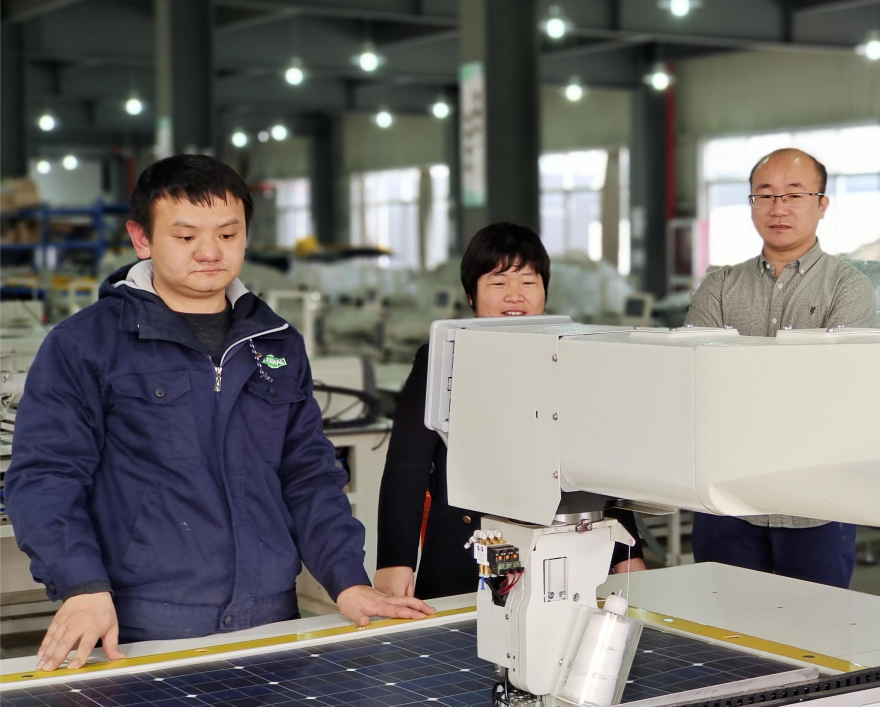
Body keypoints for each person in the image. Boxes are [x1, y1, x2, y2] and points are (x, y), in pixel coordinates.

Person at [6, 155, 434, 672]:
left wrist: (347, 580)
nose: (210, 252)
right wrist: (81, 585)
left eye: (228, 235)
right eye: (186, 236)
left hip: (272, 615)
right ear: (142, 239)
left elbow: (308, 474)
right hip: (143, 621)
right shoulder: (85, 344)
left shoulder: (276, 342)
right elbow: (45, 477)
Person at [373, 223, 645, 601]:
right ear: (472, 294)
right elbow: (407, 467)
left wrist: (628, 552)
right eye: (498, 282)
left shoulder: (573, 356)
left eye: (528, 282)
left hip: (561, 542)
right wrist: (394, 560)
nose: (515, 295)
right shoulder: (442, 357)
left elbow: (594, 459)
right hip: (467, 548)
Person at [685, 148, 875, 587]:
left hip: (817, 502)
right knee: (722, 619)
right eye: (765, 195)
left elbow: (836, 389)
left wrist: (742, 381)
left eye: (794, 194)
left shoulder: (849, 287)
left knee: (814, 622)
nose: (778, 208)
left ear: (822, 204)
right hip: (726, 499)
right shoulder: (720, 285)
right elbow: (698, 379)